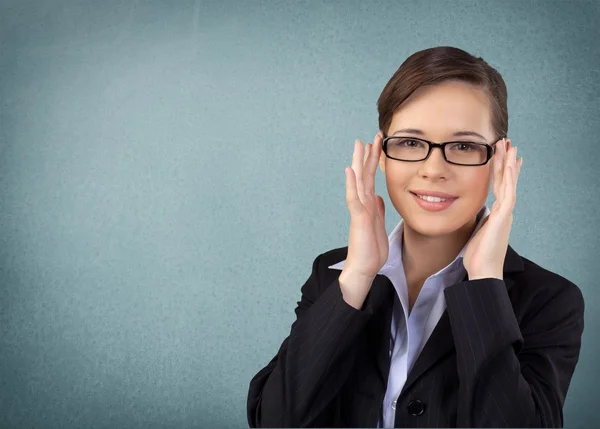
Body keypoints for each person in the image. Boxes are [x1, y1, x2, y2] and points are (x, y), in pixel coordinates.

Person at [246, 46, 585, 428]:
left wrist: (485, 283)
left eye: (464, 146)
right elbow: (273, 421)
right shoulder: (333, 275)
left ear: (499, 161)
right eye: (410, 142)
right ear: (382, 156)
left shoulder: (550, 300)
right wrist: (356, 278)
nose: (434, 169)